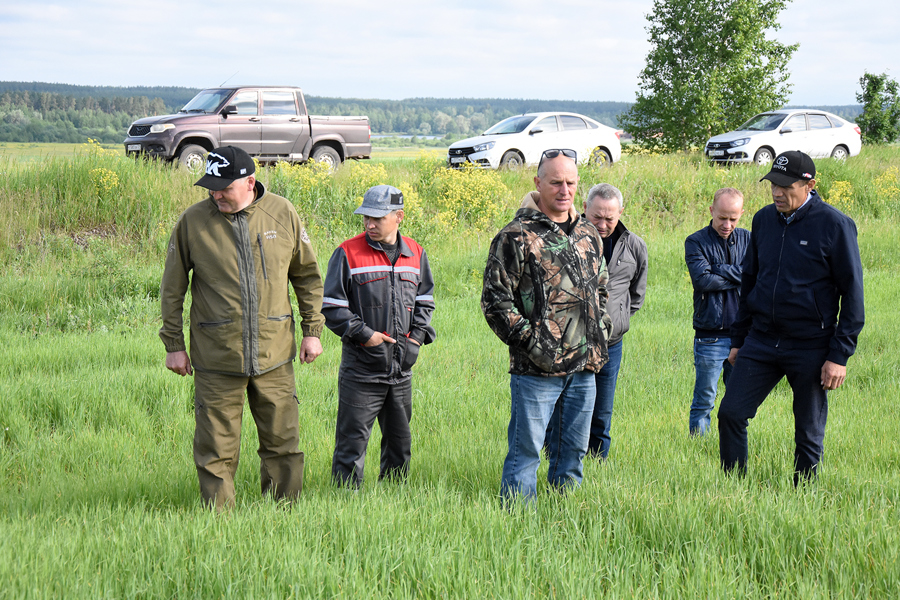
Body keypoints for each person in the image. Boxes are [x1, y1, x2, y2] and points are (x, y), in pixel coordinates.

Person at [159, 145, 325, 510]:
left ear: (249, 181)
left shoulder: (282, 213)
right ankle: (219, 524)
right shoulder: (193, 222)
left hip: (275, 352)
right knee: (215, 448)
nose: (215, 193)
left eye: (224, 187)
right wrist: (173, 343)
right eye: (210, 186)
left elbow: (308, 277)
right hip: (217, 355)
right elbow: (172, 287)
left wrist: (312, 329)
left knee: (283, 442)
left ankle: (286, 514)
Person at [718, 151, 865, 485]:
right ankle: (732, 488)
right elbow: (750, 281)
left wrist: (838, 356)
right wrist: (739, 341)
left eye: (786, 186)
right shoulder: (763, 220)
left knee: (808, 432)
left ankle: (804, 496)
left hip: (811, 344)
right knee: (730, 413)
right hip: (762, 339)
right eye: (773, 184)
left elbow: (853, 297)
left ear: (810, 185)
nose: (777, 192)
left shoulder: (835, 225)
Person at [482, 149, 611, 501]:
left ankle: (565, 514)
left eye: (570, 182)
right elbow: (495, 302)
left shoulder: (588, 232)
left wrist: (601, 329)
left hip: (585, 366)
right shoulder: (515, 235)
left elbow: (601, 287)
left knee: (573, 453)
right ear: (537, 183)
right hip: (536, 370)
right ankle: (518, 521)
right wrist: (535, 343)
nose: (564, 189)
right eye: (555, 182)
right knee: (526, 454)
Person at [322, 185, 436, 488]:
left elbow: (425, 300)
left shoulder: (416, 252)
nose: (369, 224)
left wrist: (415, 340)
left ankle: (394, 498)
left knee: (400, 444)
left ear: (398, 217)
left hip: (402, 371)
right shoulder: (347, 253)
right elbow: (332, 307)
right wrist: (366, 335)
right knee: (351, 445)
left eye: (377, 218)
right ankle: (346, 502)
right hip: (361, 370)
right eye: (365, 218)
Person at [545, 183, 647, 459]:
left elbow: (636, 294)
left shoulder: (635, 246)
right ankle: (555, 455)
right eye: (596, 217)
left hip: (611, 344)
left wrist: (617, 319)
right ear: (585, 208)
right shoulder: (564, 241)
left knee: (602, 410)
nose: (602, 225)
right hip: (571, 341)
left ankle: (598, 460)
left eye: (609, 218)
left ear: (621, 213)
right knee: (563, 406)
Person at [684, 188, 749, 436]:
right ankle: (699, 448)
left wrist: (719, 268)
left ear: (742, 213)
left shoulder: (750, 240)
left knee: (738, 401)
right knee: (704, 401)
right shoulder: (696, 241)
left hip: (742, 335)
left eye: (733, 218)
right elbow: (703, 281)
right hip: (710, 334)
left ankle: (731, 443)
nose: (727, 224)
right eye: (722, 217)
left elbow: (756, 275)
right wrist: (740, 275)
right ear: (711, 211)